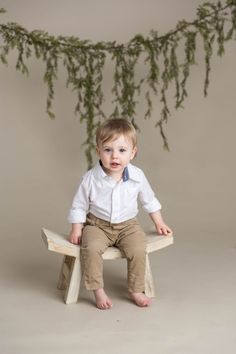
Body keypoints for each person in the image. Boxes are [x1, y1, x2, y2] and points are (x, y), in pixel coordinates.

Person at [68, 118, 172, 309]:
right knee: (90, 249)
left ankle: (135, 289)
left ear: (133, 153)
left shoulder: (137, 176)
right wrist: (76, 228)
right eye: (108, 150)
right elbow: (79, 205)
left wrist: (159, 222)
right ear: (98, 151)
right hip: (97, 225)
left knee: (139, 249)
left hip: (128, 226)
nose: (115, 156)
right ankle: (98, 290)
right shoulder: (90, 179)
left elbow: (149, 200)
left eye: (122, 150)